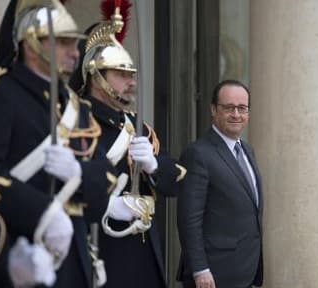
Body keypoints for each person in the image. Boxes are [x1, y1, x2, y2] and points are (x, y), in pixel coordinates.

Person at [0, 0, 116, 287]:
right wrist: (42, 213)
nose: (75, 52)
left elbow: (106, 175)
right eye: (65, 43)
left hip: (75, 255)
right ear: (32, 44)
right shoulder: (0, 95)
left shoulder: (76, 108)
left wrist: (78, 175)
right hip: (20, 248)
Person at [68, 1, 186, 287]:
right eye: (121, 74)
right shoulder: (75, 122)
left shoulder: (139, 126)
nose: (131, 82)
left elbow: (177, 181)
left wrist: (154, 165)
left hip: (143, 252)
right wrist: (106, 205)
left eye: (131, 74)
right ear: (95, 75)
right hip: (99, 249)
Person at [177, 80, 264, 288]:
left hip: (245, 271)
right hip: (213, 276)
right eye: (228, 108)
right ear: (214, 110)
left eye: (242, 108)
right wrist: (200, 269)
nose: (236, 114)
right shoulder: (198, 153)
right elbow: (189, 218)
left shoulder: (247, 150)